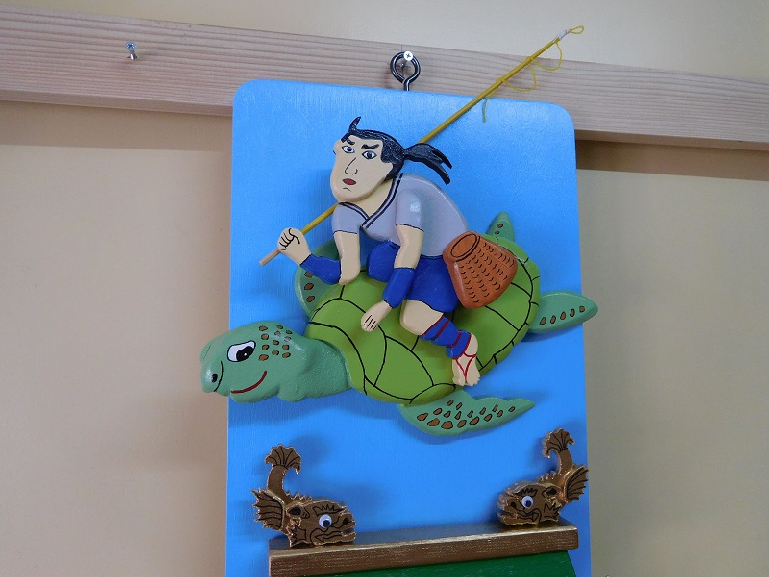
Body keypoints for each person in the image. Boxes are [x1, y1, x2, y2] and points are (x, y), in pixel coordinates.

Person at [277, 118, 479, 386]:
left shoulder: (408, 196)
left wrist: (386, 304)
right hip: (400, 251)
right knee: (376, 265)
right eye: (348, 150)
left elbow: (410, 250)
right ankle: (408, 291)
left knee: (413, 319)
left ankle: (462, 345)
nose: (351, 165)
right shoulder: (345, 211)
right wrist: (303, 257)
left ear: (388, 167)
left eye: (369, 155)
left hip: (442, 258)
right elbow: (347, 272)